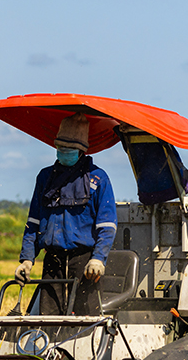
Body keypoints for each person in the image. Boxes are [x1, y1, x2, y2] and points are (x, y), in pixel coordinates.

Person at [15, 113, 117, 315]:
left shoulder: (98, 179)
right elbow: (33, 223)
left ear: (81, 151)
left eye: (69, 150)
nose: (64, 153)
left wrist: (98, 259)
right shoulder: (45, 177)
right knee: (48, 320)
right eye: (60, 149)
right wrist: (27, 259)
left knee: (84, 322)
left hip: (86, 265)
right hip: (52, 263)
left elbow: (107, 225)